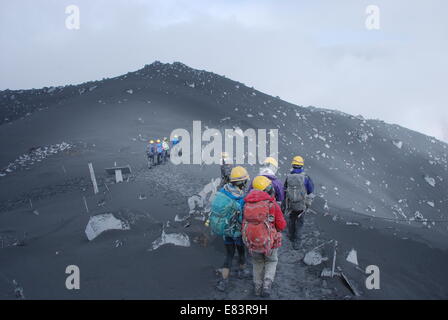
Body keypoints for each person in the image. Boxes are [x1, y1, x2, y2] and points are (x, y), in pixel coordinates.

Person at [243, 176, 286, 297]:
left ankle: (257, 286)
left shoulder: (247, 204)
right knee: (272, 261)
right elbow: (282, 225)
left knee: (257, 262)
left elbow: (244, 223)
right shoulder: (272, 204)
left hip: (252, 241)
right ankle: (267, 283)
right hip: (270, 242)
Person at [209, 166, 250, 292]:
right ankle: (242, 271)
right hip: (237, 232)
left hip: (225, 231)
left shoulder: (222, 191)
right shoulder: (241, 198)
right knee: (241, 252)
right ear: (242, 182)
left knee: (229, 254)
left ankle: (224, 281)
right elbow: (244, 217)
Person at [283, 156, 314, 250]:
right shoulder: (306, 177)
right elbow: (310, 190)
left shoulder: (288, 177)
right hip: (301, 205)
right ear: (302, 165)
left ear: (293, 165)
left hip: (291, 204)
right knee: (300, 223)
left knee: (291, 220)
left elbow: (285, 189)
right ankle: (297, 242)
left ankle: (291, 237)